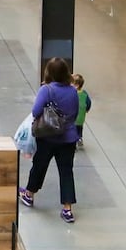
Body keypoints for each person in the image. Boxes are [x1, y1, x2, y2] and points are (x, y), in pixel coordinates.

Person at [19, 57, 80, 223]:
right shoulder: (73, 91)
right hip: (68, 138)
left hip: (47, 137)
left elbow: (36, 110)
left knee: (39, 165)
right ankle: (67, 209)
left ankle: (29, 194)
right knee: (66, 171)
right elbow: (74, 113)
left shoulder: (46, 90)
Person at [71, 72, 91, 150]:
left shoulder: (73, 93)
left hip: (73, 117)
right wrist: (87, 109)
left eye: (71, 83)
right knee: (79, 127)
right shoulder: (85, 93)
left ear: (76, 85)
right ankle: (79, 138)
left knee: (73, 129)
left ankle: (74, 143)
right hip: (82, 117)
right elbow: (88, 103)